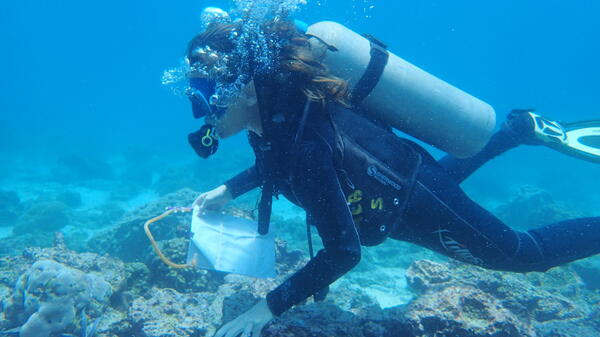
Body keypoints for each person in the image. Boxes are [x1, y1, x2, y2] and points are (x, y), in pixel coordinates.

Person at [183, 19, 600, 337]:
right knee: (440, 188)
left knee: (521, 254)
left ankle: (514, 139)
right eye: (194, 92)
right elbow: (272, 166)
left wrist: (265, 309)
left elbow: (343, 252)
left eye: (206, 90)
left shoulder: (302, 141)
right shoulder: (273, 122)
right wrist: (227, 190)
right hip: (400, 182)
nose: (201, 106)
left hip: (409, 199)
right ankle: (514, 134)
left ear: (249, 88)